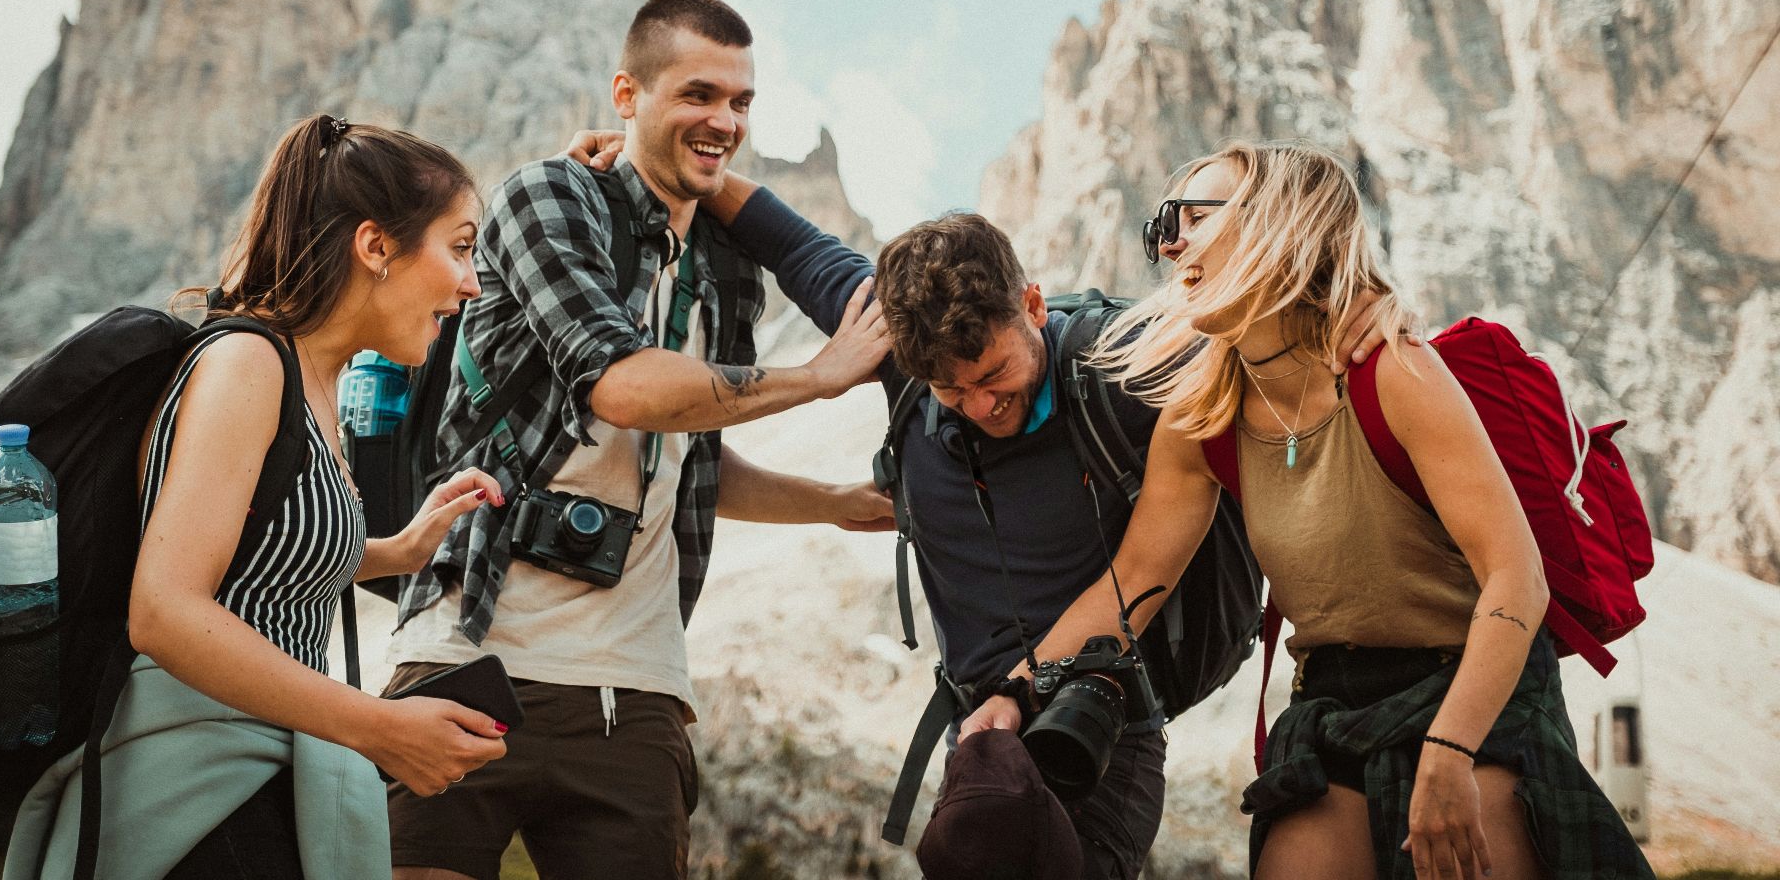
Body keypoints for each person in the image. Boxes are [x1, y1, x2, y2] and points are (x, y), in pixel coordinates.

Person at [563, 130, 1398, 879]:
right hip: (981, 740)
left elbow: (1269, 328)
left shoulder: (1124, 366)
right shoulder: (901, 350)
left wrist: (1364, 303)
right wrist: (661, 157)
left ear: (1032, 304)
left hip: (1101, 730)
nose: (981, 406)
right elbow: (789, 241)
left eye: (995, 375)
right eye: (950, 392)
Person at [1025, 141, 1653, 879]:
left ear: (1279, 223)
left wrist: (1451, 750)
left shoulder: (1395, 371)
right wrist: (1011, 691)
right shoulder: (1200, 420)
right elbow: (1131, 583)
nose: (1170, 245)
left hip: (1475, 684)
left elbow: (1518, 580)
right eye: (1165, 225)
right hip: (1331, 699)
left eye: (1195, 218)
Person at [381, 0, 894, 880]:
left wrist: (835, 503)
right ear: (627, 93)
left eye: (740, 101)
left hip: (637, 690)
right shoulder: (548, 198)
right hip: (468, 654)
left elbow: (690, 446)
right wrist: (818, 378)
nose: (725, 120)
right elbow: (622, 388)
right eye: (698, 94)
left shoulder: (728, 270)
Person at [6, 115, 514, 880]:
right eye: (461, 247)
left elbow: (258, 556)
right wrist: (380, 727)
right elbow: (164, 610)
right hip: (197, 793)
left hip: (259, 775)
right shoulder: (249, 363)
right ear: (376, 247)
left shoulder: (314, 381)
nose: (472, 283)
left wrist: (396, 550)